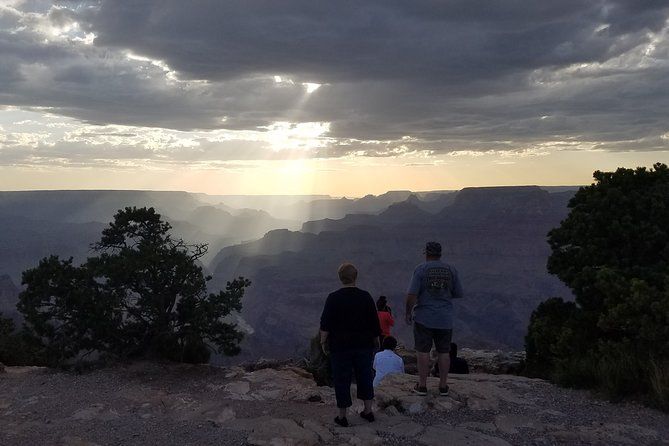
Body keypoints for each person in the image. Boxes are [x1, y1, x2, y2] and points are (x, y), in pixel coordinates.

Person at [320, 263, 382, 427]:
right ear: (356, 277)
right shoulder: (366, 296)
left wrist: (322, 342)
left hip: (340, 347)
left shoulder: (333, 297)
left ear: (340, 278)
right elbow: (374, 323)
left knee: (342, 379)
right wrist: (377, 340)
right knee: (365, 376)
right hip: (363, 345)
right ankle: (368, 411)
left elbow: (325, 323)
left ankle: (342, 416)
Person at [405, 242, 464, 396]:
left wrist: (408, 312)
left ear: (426, 253)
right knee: (444, 352)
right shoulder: (451, 269)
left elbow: (412, 295)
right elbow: (458, 293)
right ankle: (443, 386)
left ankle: (422, 386)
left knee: (423, 351)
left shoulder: (421, 269)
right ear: (440, 254)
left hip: (424, 317)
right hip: (445, 318)